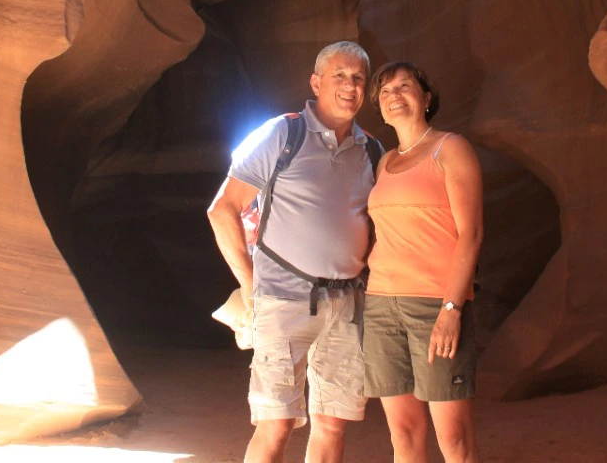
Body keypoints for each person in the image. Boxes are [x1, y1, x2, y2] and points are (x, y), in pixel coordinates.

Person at [207, 41, 378, 463]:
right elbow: (222, 210)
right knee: (276, 423)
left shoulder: (371, 150)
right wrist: (250, 285)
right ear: (316, 83)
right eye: (340, 75)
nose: (350, 85)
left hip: (347, 303)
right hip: (282, 300)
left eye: (358, 78)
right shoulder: (282, 134)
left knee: (332, 423)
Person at [363, 61, 483, 462]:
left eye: (404, 86)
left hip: (434, 304)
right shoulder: (384, 162)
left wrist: (452, 308)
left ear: (426, 97)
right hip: (381, 305)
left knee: (454, 439)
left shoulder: (451, 148)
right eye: (385, 91)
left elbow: (471, 234)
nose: (394, 95)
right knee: (404, 434)